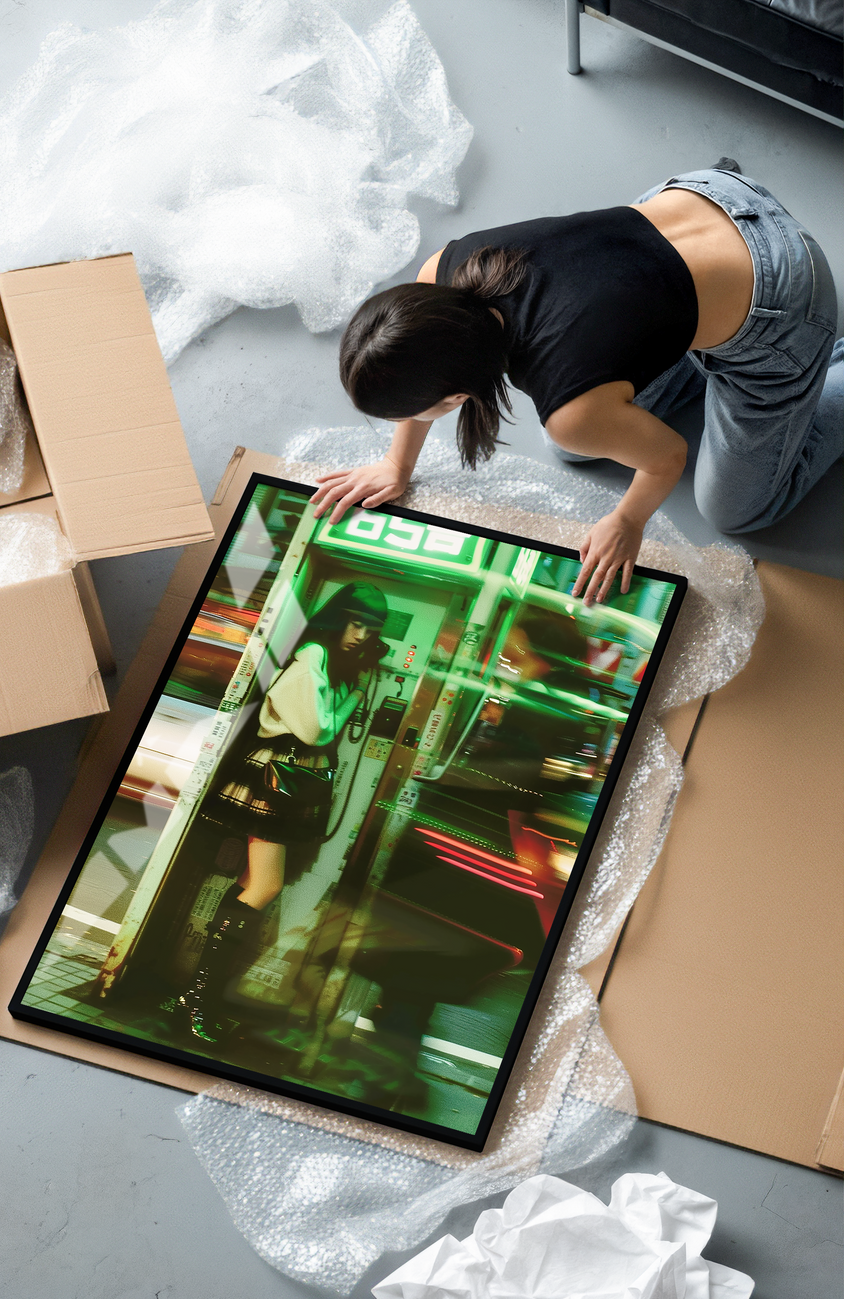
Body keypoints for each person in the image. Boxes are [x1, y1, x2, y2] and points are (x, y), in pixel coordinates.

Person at [313, 162, 842, 605]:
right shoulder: (440, 275)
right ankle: (701, 340)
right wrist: (395, 464)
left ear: (454, 398)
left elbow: (667, 457)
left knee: (735, 509)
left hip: (782, 290)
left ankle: (819, 360)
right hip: (700, 198)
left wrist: (627, 521)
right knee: (574, 445)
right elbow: (423, 359)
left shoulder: (573, 412)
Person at [180, 582, 390, 1042]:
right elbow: (317, 731)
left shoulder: (333, 665)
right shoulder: (312, 655)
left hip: (288, 785)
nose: (361, 634)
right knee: (266, 885)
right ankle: (200, 998)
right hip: (274, 783)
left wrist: (356, 682)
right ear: (340, 619)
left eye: (371, 629)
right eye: (357, 623)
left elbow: (325, 727)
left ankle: (196, 996)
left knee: (251, 884)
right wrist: (352, 696)